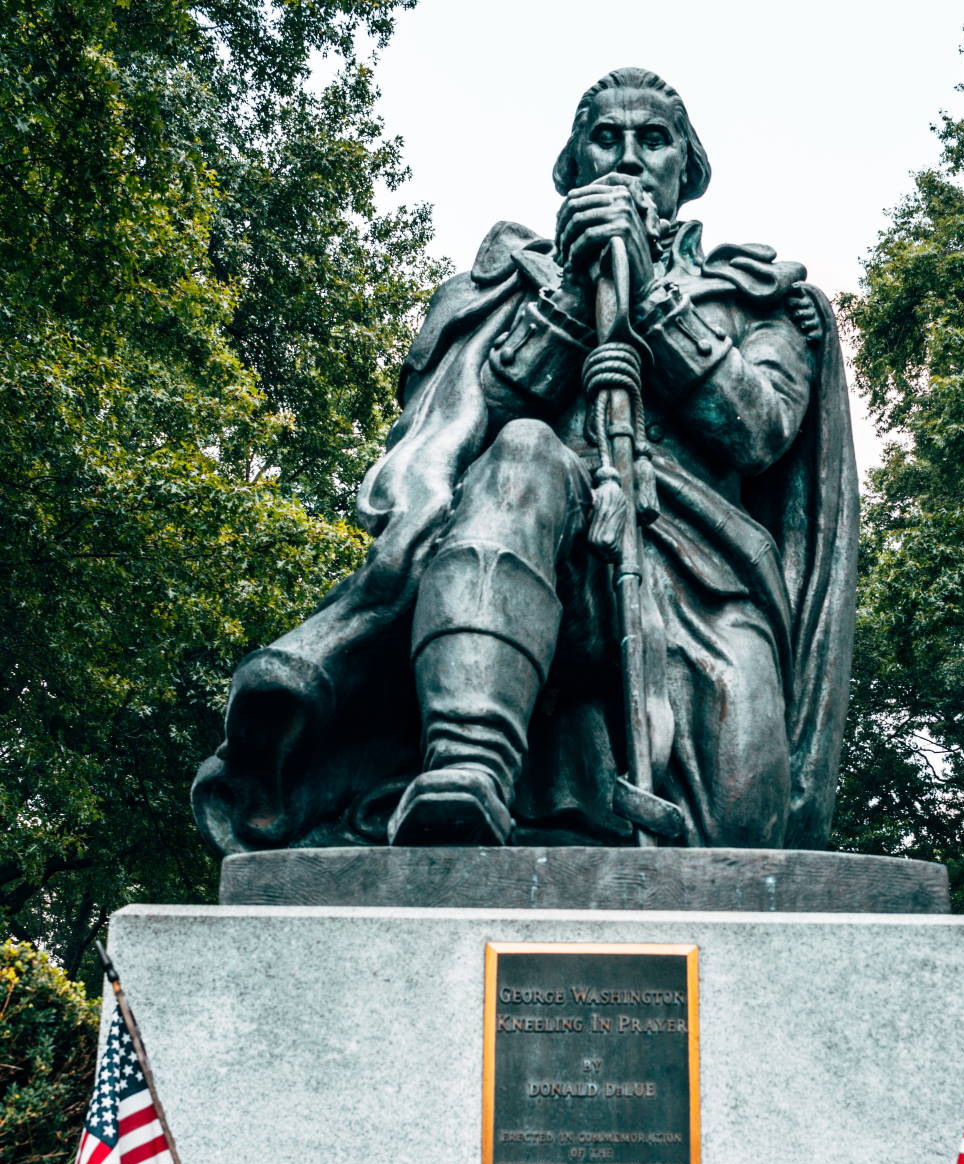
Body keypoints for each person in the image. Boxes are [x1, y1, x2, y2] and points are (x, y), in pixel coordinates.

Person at [193, 67, 859, 856]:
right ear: (573, 163)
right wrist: (572, 302)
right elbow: (458, 431)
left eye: (654, 139)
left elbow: (759, 430)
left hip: (705, 585)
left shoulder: (753, 297)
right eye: (604, 138)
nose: (627, 157)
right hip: (532, 552)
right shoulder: (508, 291)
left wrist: (653, 302)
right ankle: (465, 767)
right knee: (523, 452)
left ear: (687, 168)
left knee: (746, 834)